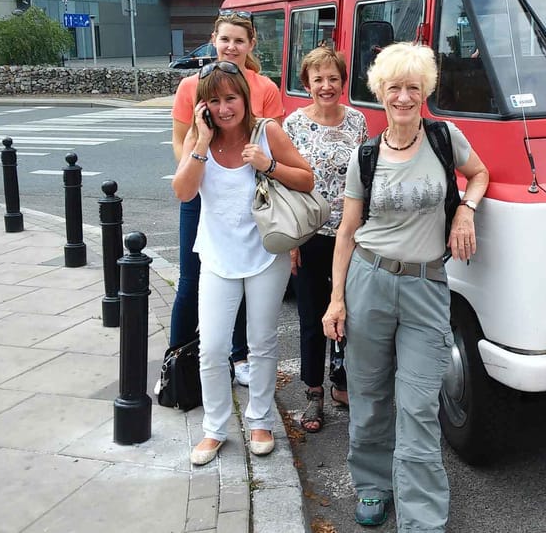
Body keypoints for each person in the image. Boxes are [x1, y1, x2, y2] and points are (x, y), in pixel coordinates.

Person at [321, 42, 489, 530]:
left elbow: (478, 174)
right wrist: (336, 300)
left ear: (425, 91)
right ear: (380, 92)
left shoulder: (444, 139)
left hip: (426, 286)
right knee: (370, 394)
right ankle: (373, 486)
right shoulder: (366, 155)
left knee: (418, 404)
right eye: (394, 87)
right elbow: (347, 233)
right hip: (368, 281)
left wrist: (465, 210)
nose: (403, 97)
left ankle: (421, 518)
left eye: (413, 87)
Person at [172, 62, 314, 466]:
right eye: (213, 101)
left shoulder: (266, 132)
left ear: (244, 99)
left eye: (230, 98)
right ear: (203, 106)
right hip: (217, 256)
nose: (223, 108)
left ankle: (259, 420)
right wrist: (199, 141)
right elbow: (184, 193)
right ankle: (215, 428)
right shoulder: (201, 140)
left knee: (262, 343)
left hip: (265, 254)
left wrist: (266, 164)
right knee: (213, 347)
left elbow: (307, 179)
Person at [170, 9, 284, 387]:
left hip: (249, 193)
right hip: (206, 183)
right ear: (214, 41)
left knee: (244, 273)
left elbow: (272, 141)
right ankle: (178, 359)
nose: (231, 46)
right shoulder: (191, 86)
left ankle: (239, 356)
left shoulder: (264, 88)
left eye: (239, 40)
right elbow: (181, 137)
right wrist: (198, 173)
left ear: (250, 45)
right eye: (225, 39)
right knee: (192, 279)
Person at [283, 46, 368, 433]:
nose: (326, 86)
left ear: (343, 82)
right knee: (312, 315)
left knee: (350, 312)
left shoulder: (358, 122)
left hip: (350, 234)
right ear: (307, 84)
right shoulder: (293, 125)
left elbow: (368, 178)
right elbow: (283, 182)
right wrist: (291, 242)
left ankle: (343, 381)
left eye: (333, 78)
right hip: (310, 234)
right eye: (318, 79)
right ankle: (314, 392)